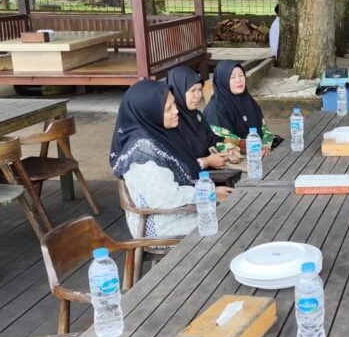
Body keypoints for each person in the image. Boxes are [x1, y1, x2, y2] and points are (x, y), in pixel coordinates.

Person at [109, 80, 232, 238]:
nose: (176, 111)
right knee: (235, 218)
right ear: (149, 112)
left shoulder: (160, 135)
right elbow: (166, 199)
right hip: (163, 222)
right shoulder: (141, 153)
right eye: (168, 108)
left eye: (174, 104)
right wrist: (208, 193)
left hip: (181, 209)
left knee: (238, 211)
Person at [166, 66, 233, 171]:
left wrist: (229, 150)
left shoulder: (196, 116)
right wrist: (207, 161)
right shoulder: (171, 123)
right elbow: (176, 166)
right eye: (193, 90)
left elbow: (212, 139)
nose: (198, 96)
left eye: (200, 90)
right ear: (177, 91)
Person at [203, 60, 272, 155]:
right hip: (237, 156)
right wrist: (235, 149)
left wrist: (266, 144)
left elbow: (264, 129)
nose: (238, 80)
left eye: (241, 75)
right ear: (223, 80)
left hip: (259, 152)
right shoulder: (215, 109)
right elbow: (220, 140)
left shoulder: (248, 100)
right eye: (232, 77)